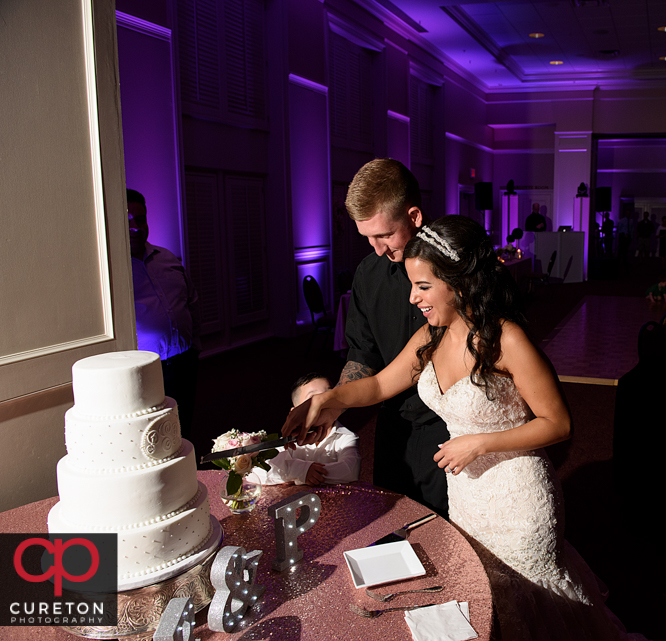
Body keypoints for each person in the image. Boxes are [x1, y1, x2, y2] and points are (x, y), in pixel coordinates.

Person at [283, 217, 641, 641]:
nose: (413, 297)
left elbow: (559, 423)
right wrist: (327, 400)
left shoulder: (505, 339)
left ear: (458, 282)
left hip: (519, 501)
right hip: (467, 496)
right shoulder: (430, 337)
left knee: (531, 607)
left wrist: (479, 444)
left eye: (423, 286)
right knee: (486, 600)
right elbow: (380, 383)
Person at [305, 159, 451, 516]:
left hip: (451, 427)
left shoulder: (455, 263)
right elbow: (363, 353)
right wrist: (334, 403)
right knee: (393, 523)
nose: (377, 249)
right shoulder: (368, 274)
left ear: (414, 216)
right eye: (367, 237)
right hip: (394, 423)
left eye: (384, 235)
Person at [127, 188, 201, 440]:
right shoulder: (114, 271)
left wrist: (195, 346)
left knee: (185, 425)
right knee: (156, 435)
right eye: (128, 221)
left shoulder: (166, 257)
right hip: (148, 369)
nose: (136, 227)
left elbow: (191, 300)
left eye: (140, 219)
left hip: (184, 361)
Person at [251, 373, 359, 486]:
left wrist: (296, 476)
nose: (323, 403)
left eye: (328, 395)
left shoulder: (346, 437)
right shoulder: (290, 440)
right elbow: (258, 470)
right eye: (313, 399)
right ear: (295, 413)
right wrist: (300, 470)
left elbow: (350, 471)